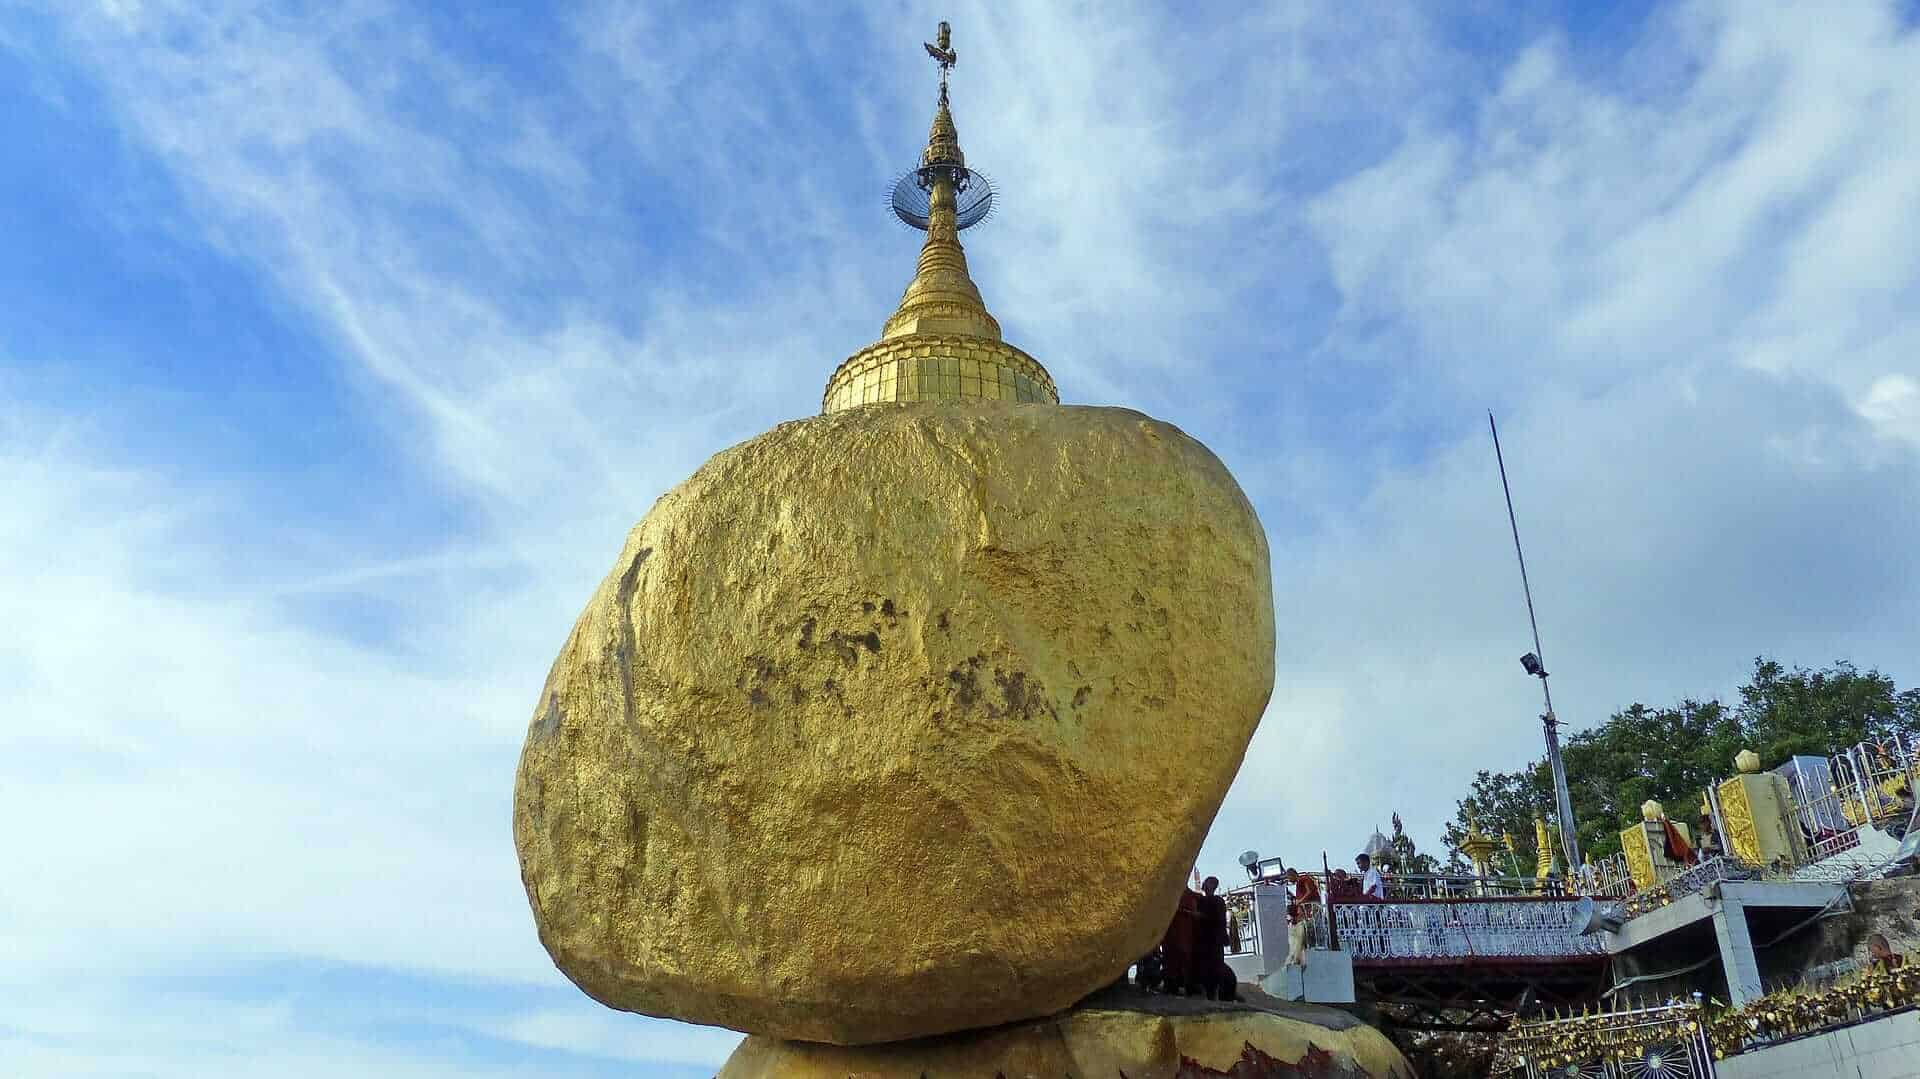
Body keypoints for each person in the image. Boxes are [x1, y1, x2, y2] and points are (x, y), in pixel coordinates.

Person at [1193, 876, 1237, 1001]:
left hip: (1211, 939)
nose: (1208, 886)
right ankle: (1212, 992)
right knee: (1211, 965)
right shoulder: (1212, 901)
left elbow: (1217, 920)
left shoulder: (1214, 901)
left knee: (1213, 966)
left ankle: (1213, 992)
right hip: (1209, 939)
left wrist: (1199, 916)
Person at [1284, 868, 1320, 968]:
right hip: (1306, 913)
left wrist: (1299, 902)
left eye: (1288, 877)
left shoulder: (1303, 879)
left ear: (1293, 874)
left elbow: (1309, 891)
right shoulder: (1298, 884)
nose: (1289, 880)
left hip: (1312, 909)